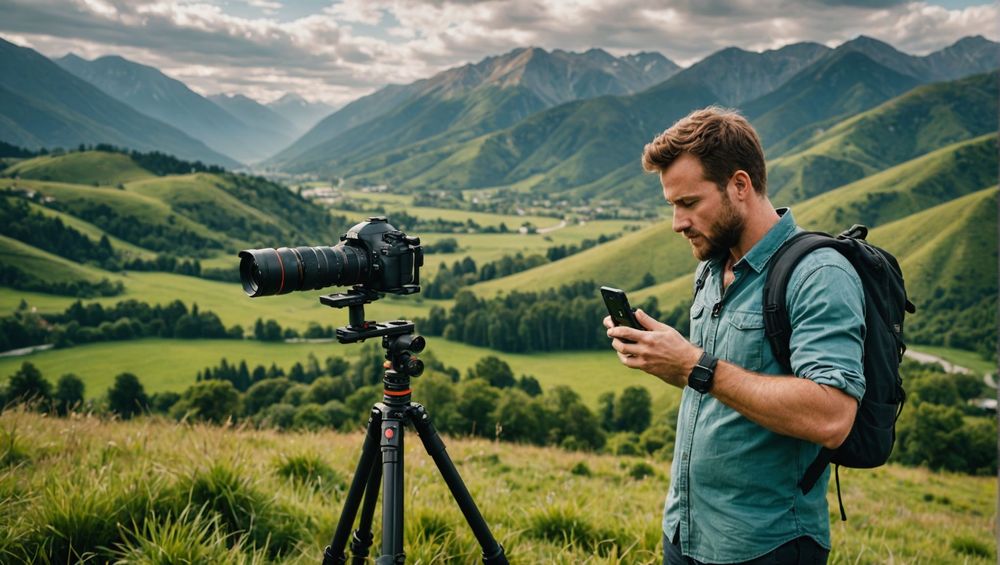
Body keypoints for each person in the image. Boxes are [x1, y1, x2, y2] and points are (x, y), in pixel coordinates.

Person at [604, 107, 866, 565]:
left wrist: (693, 365)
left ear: (739, 186)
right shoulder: (711, 269)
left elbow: (832, 416)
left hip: (765, 545)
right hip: (686, 532)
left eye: (689, 203)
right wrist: (669, 360)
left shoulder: (819, 274)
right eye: (672, 206)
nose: (677, 223)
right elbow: (723, 381)